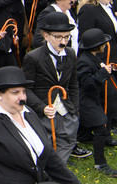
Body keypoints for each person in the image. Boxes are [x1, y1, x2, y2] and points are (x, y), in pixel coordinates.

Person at [22, 11, 86, 163]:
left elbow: (73, 84)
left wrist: (75, 110)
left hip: (65, 108)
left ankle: (58, 169)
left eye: (67, 36)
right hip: (44, 109)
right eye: (58, 37)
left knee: (67, 139)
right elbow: (27, 89)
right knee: (45, 143)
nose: (63, 41)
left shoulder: (70, 54)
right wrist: (42, 107)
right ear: (46, 36)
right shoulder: (33, 57)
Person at [76, 29, 117, 176]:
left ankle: (81, 140)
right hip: (86, 101)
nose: (105, 45)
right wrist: (103, 73)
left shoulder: (93, 57)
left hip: (92, 99)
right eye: (103, 44)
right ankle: (100, 164)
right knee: (100, 128)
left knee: (89, 128)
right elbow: (87, 83)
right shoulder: (84, 61)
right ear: (97, 46)